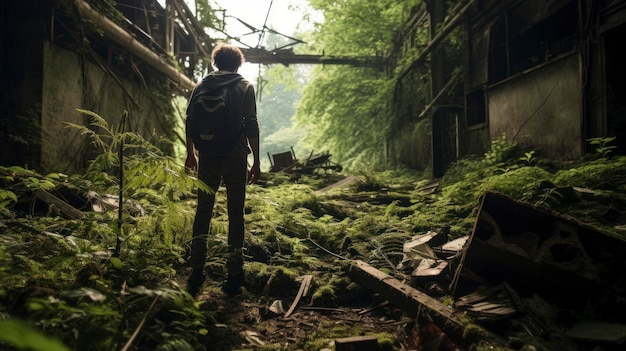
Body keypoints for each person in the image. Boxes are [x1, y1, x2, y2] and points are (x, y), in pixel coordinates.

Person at [184, 42, 260, 296]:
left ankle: (196, 269)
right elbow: (251, 125)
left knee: (203, 210)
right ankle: (234, 274)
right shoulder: (244, 86)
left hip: (207, 155)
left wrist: (190, 153)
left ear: (216, 63)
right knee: (235, 214)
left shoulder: (201, 86)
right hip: (235, 156)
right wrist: (257, 161)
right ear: (238, 64)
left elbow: (189, 119)